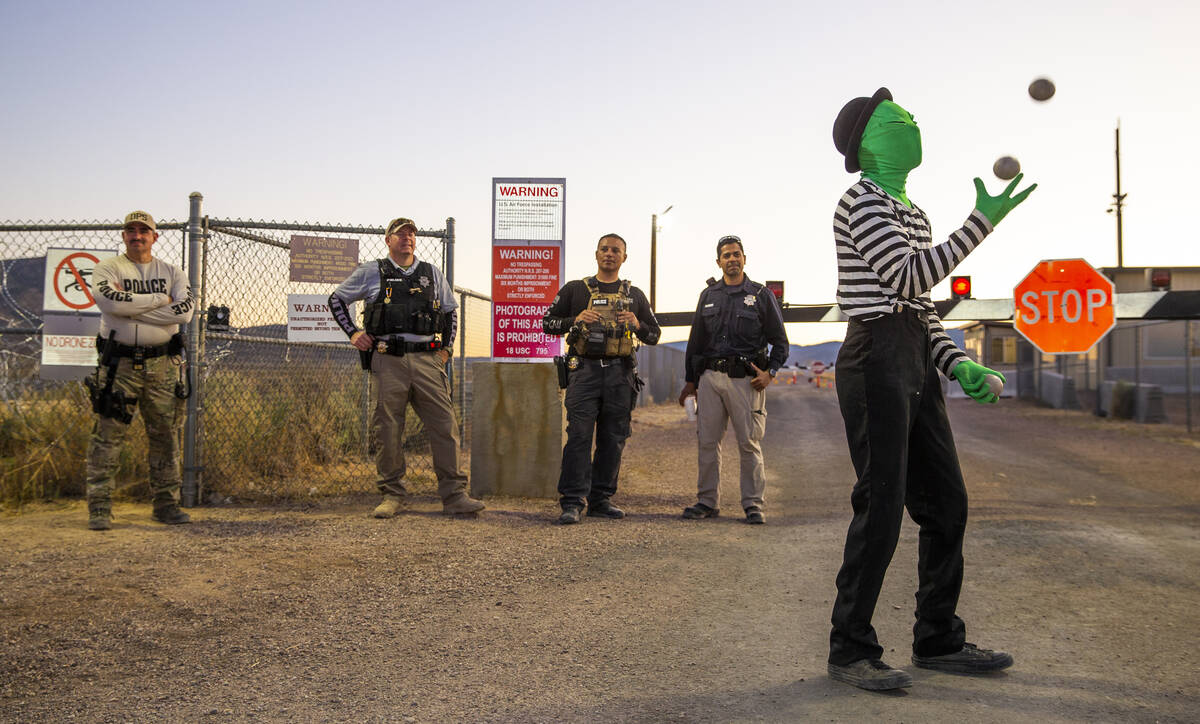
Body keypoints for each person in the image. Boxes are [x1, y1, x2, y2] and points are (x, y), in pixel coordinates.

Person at [825, 87, 1035, 690]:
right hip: (873, 360)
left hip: (911, 350)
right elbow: (909, 274)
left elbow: (920, 304)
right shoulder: (859, 200)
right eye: (897, 119)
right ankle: (850, 649)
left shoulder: (914, 213)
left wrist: (957, 363)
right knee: (883, 504)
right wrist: (983, 224)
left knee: (946, 503)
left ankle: (938, 638)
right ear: (867, 141)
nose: (911, 122)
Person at [328, 217, 485, 518]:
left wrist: (447, 349)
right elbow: (336, 300)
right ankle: (392, 494)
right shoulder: (372, 271)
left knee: (444, 425)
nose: (407, 238)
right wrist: (353, 333)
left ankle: (454, 496)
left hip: (428, 359)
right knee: (387, 427)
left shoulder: (431, 273)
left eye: (411, 233)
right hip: (389, 359)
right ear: (388, 240)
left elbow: (451, 312)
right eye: (400, 233)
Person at [85, 210, 195, 530]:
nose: (137, 236)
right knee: (108, 435)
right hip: (119, 365)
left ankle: (165, 504)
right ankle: (100, 507)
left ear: (154, 237)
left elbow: (185, 312)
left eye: (143, 231)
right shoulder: (108, 268)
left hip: (162, 365)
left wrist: (133, 312)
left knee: (164, 435)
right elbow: (110, 304)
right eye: (131, 231)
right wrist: (159, 302)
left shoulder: (173, 272)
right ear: (123, 236)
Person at [542, 233, 661, 524]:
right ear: (596, 254)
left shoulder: (635, 296)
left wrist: (636, 323)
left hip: (620, 374)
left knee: (613, 438)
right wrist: (575, 320)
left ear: (624, 257)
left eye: (616, 250)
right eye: (605, 249)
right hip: (584, 372)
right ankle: (572, 502)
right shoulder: (575, 290)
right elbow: (548, 324)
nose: (610, 254)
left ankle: (601, 499)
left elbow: (655, 335)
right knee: (579, 436)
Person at [677, 235, 788, 524]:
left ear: (744, 259)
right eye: (726, 255)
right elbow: (695, 342)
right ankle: (707, 501)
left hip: (745, 381)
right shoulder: (709, 296)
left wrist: (770, 373)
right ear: (719, 261)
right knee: (707, 442)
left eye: (736, 254)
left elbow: (781, 342)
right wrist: (691, 382)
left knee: (749, 444)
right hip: (710, 378)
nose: (732, 259)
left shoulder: (761, 296)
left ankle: (753, 505)